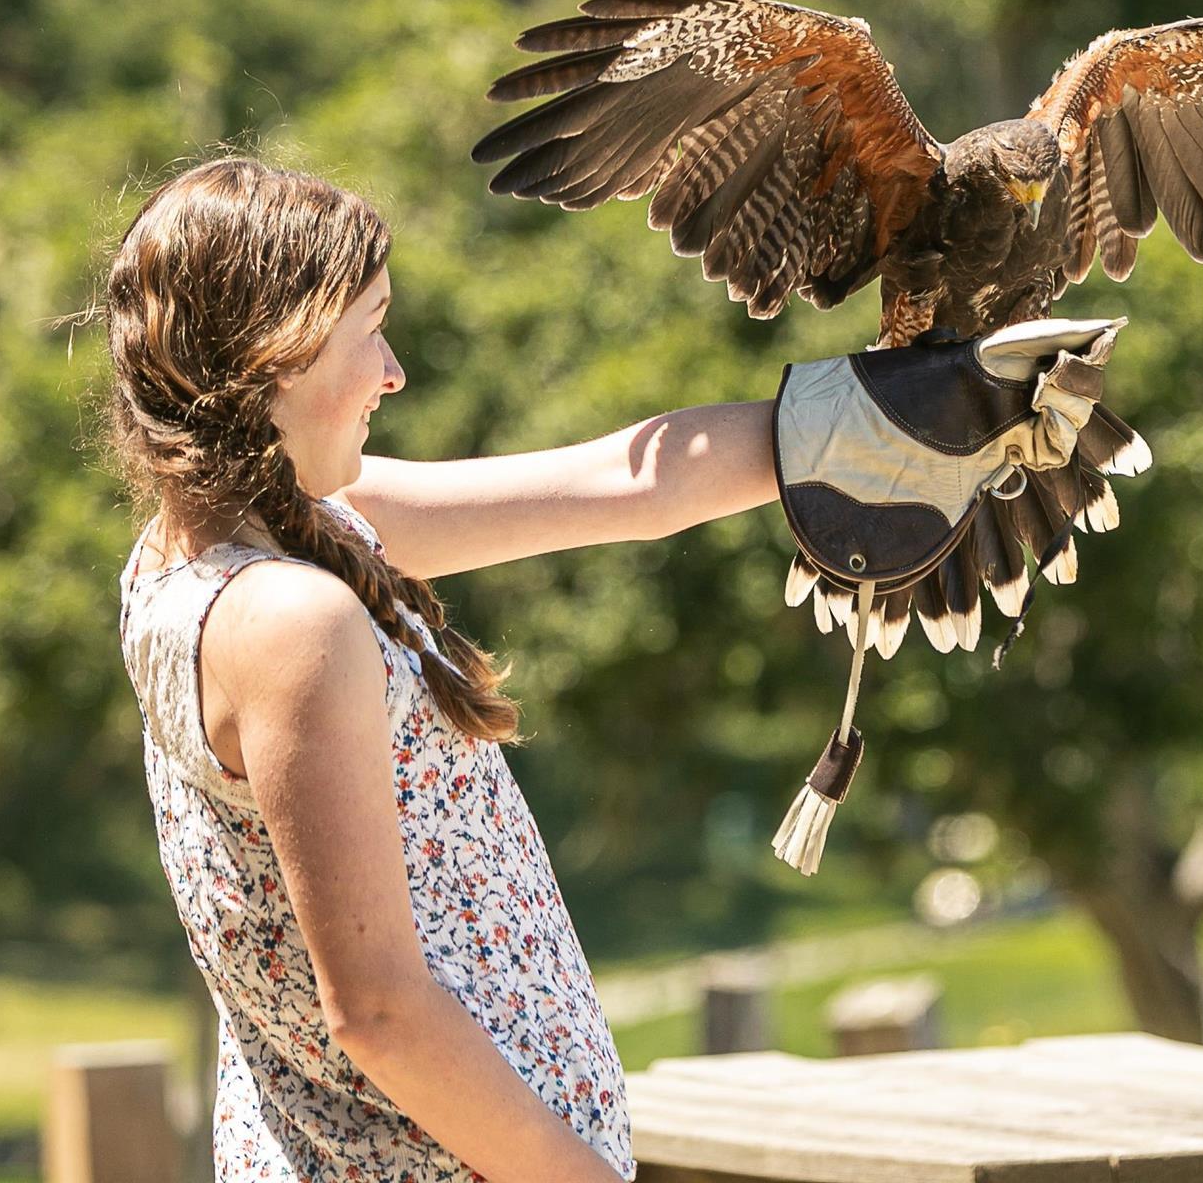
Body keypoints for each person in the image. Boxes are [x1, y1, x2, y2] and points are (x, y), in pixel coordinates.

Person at [104, 155, 782, 1181]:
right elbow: (377, 1013)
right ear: (272, 357)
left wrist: (851, 424)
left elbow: (619, 488)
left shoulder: (229, 551)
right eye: (369, 327)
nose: (393, 370)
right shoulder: (290, 619)